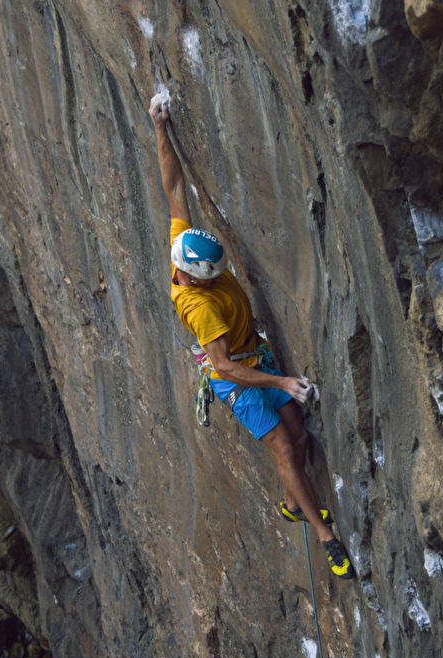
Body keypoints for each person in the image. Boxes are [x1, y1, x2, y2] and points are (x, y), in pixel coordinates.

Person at [149, 94, 353, 579]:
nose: (222, 279)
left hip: (253, 357)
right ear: (194, 278)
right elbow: (223, 367)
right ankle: (326, 536)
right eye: (214, 276)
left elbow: (173, 183)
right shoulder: (200, 307)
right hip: (237, 377)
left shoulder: (184, 245)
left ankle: (291, 502)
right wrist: (281, 384)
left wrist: (160, 125)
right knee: (284, 448)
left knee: (300, 438)